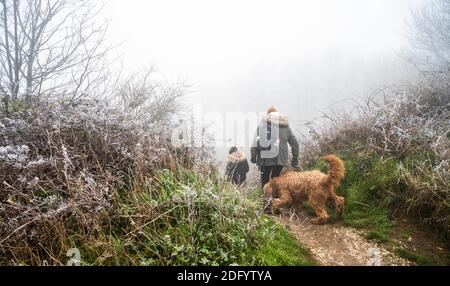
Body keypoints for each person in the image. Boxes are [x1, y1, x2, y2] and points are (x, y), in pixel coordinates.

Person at [250, 106, 299, 211]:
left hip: (266, 158)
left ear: (268, 114)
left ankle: (267, 206)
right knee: (276, 181)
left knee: (265, 181)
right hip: (281, 158)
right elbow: (295, 144)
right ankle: (275, 205)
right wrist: (295, 161)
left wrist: (253, 156)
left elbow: (255, 141)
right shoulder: (285, 127)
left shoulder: (263, 125)